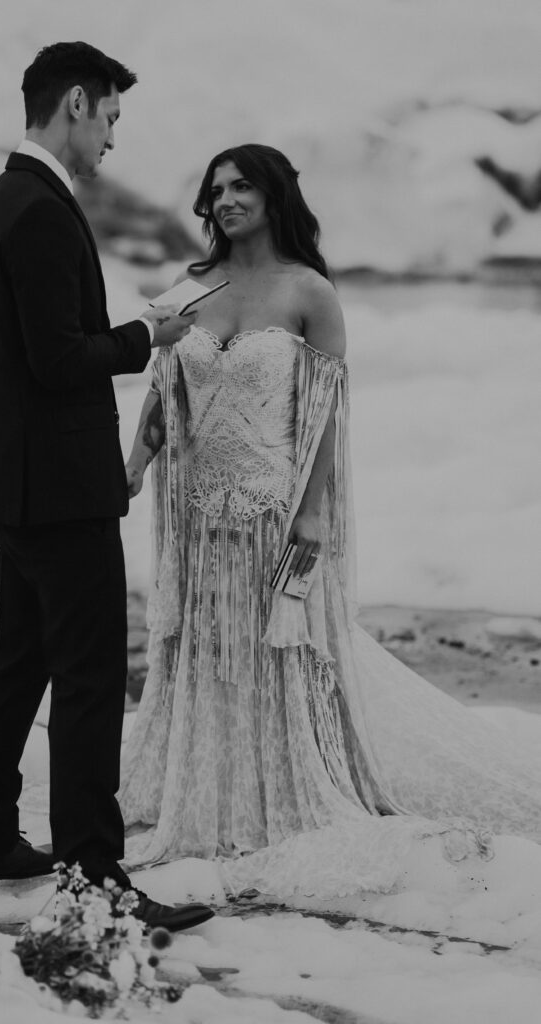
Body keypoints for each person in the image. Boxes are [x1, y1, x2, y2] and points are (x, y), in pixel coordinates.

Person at [119, 143, 541, 898]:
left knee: (274, 651)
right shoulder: (188, 286)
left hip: (272, 512)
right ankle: (208, 789)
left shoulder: (308, 291)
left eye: (242, 186)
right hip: (195, 512)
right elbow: (160, 390)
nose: (225, 200)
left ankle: (274, 791)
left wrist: (312, 511)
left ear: (273, 194)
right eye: (215, 189)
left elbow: (326, 421)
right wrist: (133, 465)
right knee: (207, 645)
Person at [0, 41, 213, 931]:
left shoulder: (4, 201)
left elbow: (30, 354)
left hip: (17, 482)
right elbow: (60, 360)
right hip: (59, 491)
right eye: (108, 118)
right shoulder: (35, 209)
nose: (109, 140)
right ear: (74, 103)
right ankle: (95, 878)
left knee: (18, 660)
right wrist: (148, 332)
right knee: (90, 675)